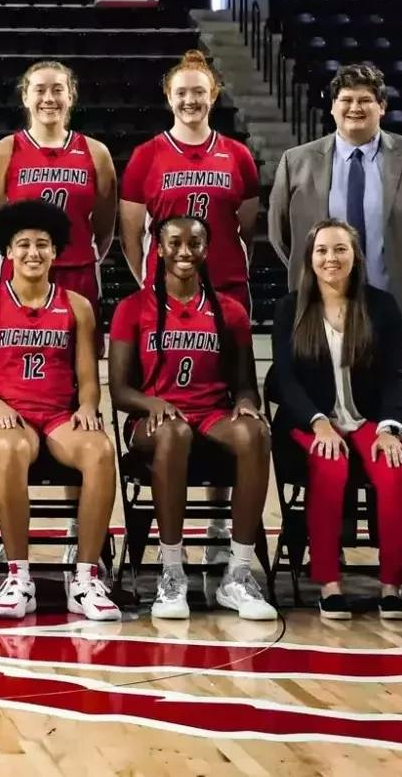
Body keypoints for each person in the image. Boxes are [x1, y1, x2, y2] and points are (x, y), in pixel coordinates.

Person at [107, 215, 275, 622]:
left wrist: (248, 404)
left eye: (195, 243)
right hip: (154, 422)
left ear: (206, 249)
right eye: (175, 243)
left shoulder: (230, 311)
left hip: (212, 414)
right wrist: (152, 404)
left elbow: (245, 384)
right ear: (159, 249)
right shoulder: (132, 308)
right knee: (174, 434)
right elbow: (119, 390)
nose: (185, 251)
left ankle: (237, 573)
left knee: (254, 433)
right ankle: (172, 572)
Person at [0, 199, 120, 622]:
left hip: (58, 417)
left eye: (43, 245)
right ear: (7, 252)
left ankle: (85, 578)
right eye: (24, 244)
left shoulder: (77, 306)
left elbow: (88, 377)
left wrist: (87, 406)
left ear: (56, 251)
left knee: (101, 450)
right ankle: (18, 576)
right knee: (12, 448)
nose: (33, 253)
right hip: (5, 415)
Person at [269, 219, 402, 621]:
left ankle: (392, 585)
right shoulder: (290, 308)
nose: (331, 258)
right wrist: (318, 422)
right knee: (329, 465)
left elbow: (397, 375)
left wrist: (389, 427)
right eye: (322, 251)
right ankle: (329, 584)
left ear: (355, 256)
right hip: (310, 421)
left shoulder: (381, 306)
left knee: (396, 467)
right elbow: (284, 378)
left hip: (370, 418)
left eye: (340, 249)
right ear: (309, 259)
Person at [267, 62, 402, 328]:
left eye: (365, 100)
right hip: (322, 307)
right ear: (332, 107)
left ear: (382, 106)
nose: (355, 108)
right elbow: (280, 236)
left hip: (398, 306)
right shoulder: (296, 161)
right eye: (346, 100)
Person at [119, 50, 260, 313]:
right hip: (165, 289)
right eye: (181, 93)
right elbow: (130, 238)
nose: (190, 100)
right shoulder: (146, 155)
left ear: (214, 95)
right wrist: (151, 282)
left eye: (199, 92)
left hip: (226, 288)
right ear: (169, 96)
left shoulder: (238, 155)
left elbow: (246, 234)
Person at [0, 60, 118, 303]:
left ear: (71, 96)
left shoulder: (96, 153)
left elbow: (105, 228)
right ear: (25, 97)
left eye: (57, 90)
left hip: (77, 272)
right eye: (39, 90)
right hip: (21, 273)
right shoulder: (2, 152)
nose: (49, 98)